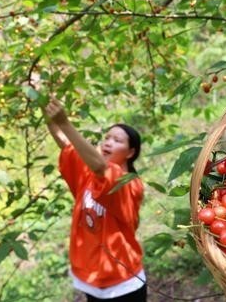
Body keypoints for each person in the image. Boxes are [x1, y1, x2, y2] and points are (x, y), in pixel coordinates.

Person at [43, 96, 147, 302]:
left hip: (123, 283)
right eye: (107, 138)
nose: (108, 143)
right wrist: (42, 103)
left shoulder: (128, 183)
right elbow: (66, 144)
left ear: (131, 152)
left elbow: (101, 167)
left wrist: (64, 121)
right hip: (92, 279)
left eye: (117, 141)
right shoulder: (89, 174)